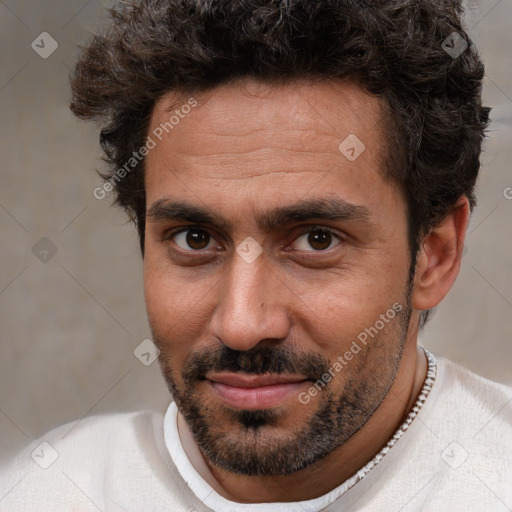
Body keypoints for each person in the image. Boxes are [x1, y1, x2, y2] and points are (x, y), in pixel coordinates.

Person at [1, 0, 511, 510]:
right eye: (194, 239)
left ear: (435, 255)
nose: (242, 325)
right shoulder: (48, 492)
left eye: (317, 240)